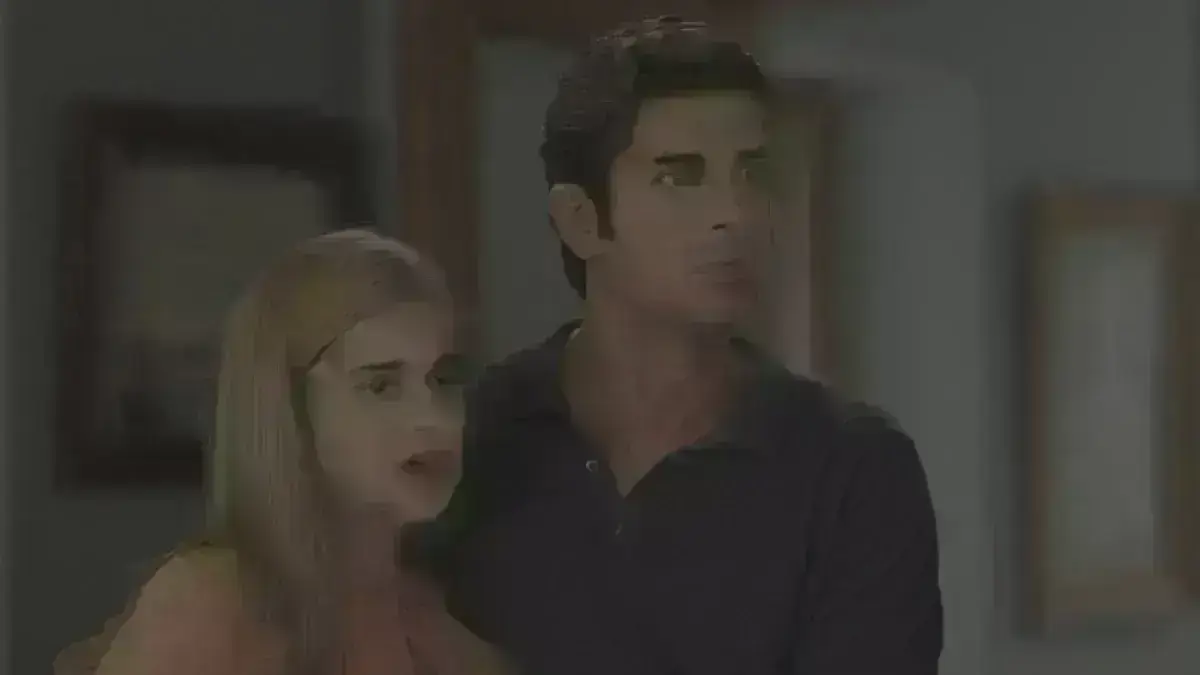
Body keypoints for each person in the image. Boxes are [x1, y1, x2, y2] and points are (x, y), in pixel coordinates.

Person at [424, 16, 943, 675]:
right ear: (582, 220)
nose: (735, 213)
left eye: (752, 172)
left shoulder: (854, 470)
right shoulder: (468, 437)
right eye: (680, 177)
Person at [54, 230, 513, 675]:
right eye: (381, 385)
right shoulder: (206, 608)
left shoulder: (441, 637)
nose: (432, 417)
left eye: (443, 380)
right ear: (292, 404)